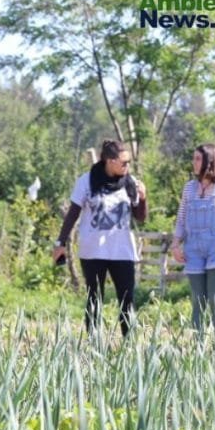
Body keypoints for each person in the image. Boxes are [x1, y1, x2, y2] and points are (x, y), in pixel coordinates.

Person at [52, 139, 147, 337]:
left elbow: (140, 217)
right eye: (124, 162)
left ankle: (128, 343)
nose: (127, 166)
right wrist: (60, 243)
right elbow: (73, 214)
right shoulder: (86, 182)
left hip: (122, 251)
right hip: (94, 251)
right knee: (94, 298)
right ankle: (94, 343)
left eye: (128, 162)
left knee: (127, 298)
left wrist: (143, 198)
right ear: (110, 161)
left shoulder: (131, 182)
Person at [169, 143, 215, 340]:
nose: (194, 162)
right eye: (194, 158)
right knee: (198, 301)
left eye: (198, 158)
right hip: (194, 249)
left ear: (210, 161)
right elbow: (181, 219)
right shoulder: (189, 188)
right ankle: (198, 349)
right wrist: (175, 244)